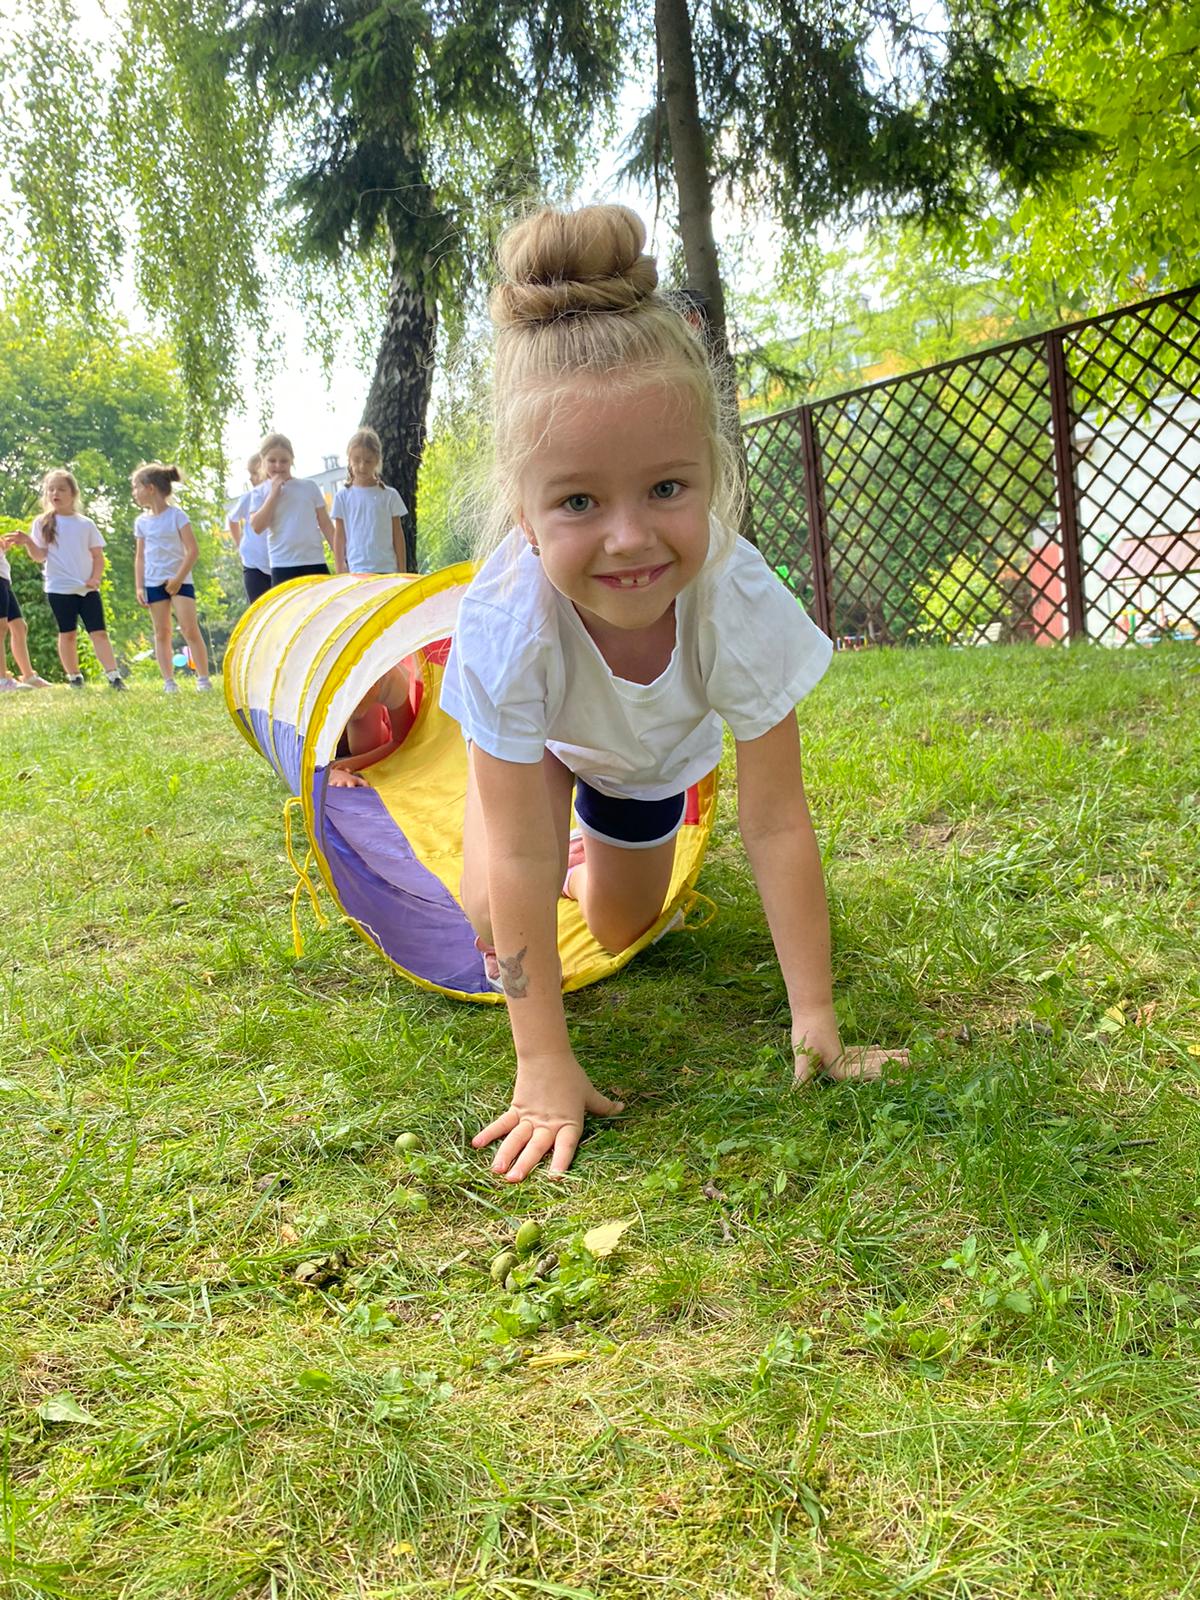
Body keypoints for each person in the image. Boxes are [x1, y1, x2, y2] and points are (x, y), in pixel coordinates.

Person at [439, 204, 907, 1183]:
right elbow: (523, 854)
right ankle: (495, 783)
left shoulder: (732, 598)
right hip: (539, 746)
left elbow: (777, 824)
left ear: (713, 473)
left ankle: (589, 838)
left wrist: (815, 1019)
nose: (630, 539)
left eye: (665, 489)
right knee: (493, 903)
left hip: (642, 766)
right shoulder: (507, 622)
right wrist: (542, 1063)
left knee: (620, 928)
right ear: (523, 511)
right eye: (577, 502)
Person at [7, 469, 125, 689]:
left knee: (98, 633)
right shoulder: (42, 522)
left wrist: (95, 579)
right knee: (67, 634)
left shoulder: (86, 524)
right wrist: (28, 542)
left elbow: (98, 556)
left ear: (73, 493)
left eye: (61, 489)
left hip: (87, 589)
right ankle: (74, 677)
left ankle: (114, 676)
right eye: (51, 489)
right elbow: (40, 556)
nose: (55, 493)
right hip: (59, 588)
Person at [131, 462, 212, 694]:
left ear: (150, 488)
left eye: (136, 487)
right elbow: (140, 558)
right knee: (161, 632)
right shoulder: (141, 522)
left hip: (180, 581)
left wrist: (177, 579)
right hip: (153, 582)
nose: (134, 493)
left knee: (189, 628)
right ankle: (169, 682)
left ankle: (203, 679)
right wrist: (139, 586)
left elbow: (192, 551)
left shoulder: (177, 516)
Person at [247, 432, 336, 584]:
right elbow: (257, 526)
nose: (278, 466)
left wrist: (342, 557)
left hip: (314, 562)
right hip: (283, 565)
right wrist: (273, 494)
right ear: (263, 461)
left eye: (284, 461)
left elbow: (326, 525)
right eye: (272, 461)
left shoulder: (309, 487)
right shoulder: (259, 492)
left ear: (292, 461)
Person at [326, 662, 418, 788]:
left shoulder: (391, 680)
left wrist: (352, 763)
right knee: (339, 746)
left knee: (364, 747)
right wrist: (330, 772)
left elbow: (403, 740)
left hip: (371, 700)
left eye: (360, 698)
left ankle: (379, 716)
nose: (355, 703)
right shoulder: (320, 695)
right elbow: (302, 747)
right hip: (327, 708)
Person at [331, 427, 408, 575]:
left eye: (368, 461)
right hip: (357, 570)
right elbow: (339, 537)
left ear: (377, 461)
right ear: (349, 460)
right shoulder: (342, 497)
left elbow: (398, 535)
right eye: (357, 460)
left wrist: (402, 570)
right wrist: (340, 570)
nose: (362, 466)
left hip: (387, 570)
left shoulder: (389, 495)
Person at [0, 535, 50, 689]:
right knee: (1, 627)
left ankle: (28, 676)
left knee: (19, 626)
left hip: (4, 578)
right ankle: (2, 680)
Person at [227, 452, 272, 604]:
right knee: (258, 608)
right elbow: (232, 519)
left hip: (275, 561)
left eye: (254, 473)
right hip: (253, 562)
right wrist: (239, 544)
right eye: (249, 473)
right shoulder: (249, 497)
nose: (251, 478)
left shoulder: (279, 493)